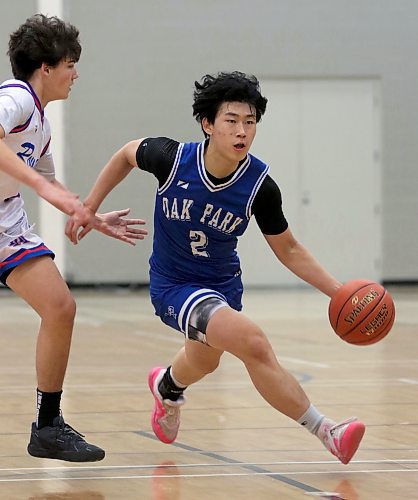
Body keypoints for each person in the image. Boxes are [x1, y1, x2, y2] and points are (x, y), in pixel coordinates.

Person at [67, 71, 365, 464]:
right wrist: (88, 206)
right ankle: (327, 430)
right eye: (231, 121)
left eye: (250, 122)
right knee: (254, 344)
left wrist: (338, 292)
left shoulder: (260, 186)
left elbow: (288, 248)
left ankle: (167, 387)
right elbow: (127, 153)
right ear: (208, 124)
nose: (242, 131)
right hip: (174, 286)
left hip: (222, 288)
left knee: (204, 361)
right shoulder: (172, 159)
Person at [0, 14, 147, 462]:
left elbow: (53, 185)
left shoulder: (40, 124)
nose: (76, 73)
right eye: (69, 64)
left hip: (6, 220)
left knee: (61, 306)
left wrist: (92, 216)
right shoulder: (16, 97)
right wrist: (43, 189)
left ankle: (47, 426)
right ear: (45, 67)